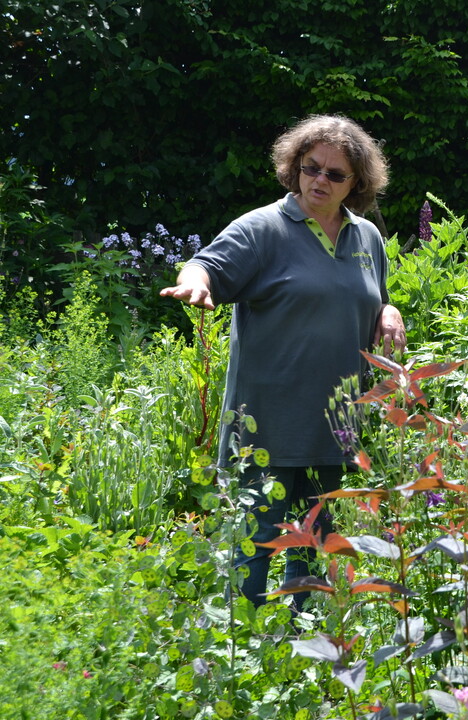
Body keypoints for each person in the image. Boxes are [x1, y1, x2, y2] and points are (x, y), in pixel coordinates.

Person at [161, 114, 406, 608]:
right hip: (267, 428)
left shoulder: (367, 239)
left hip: (334, 426)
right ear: (294, 167)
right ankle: (242, 659)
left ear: (356, 182)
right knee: (255, 550)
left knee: (312, 552)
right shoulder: (263, 228)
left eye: (335, 174)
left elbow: (370, 296)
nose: (320, 180)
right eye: (311, 167)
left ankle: (302, 654)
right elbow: (206, 264)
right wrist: (197, 283)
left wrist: (388, 309)